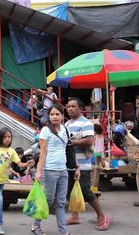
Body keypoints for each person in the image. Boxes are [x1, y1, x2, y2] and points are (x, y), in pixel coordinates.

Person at [65, 97, 111, 231]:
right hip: (70, 164)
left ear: (80, 108)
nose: (70, 109)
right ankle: (75, 216)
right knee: (71, 191)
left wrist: (71, 142)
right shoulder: (67, 124)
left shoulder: (85, 123)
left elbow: (90, 141)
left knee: (86, 192)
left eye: (73, 106)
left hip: (83, 165)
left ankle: (102, 216)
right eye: (68, 107)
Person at [31, 104, 77, 235]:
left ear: (62, 116)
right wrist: (39, 172)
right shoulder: (45, 130)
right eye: (52, 114)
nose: (55, 117)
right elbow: (43, 153)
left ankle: (63, 231)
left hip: (63, 170)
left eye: (57, 114)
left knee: (61, 202)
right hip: (49, 170)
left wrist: (76, 167)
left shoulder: (66, 130)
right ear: (49, 116)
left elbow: (69, 150)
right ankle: (36, 225)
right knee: (48, 200)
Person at [0, 127, 34, 235]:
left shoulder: (11, 151)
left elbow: (20, 164)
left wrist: (27, 164)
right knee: (0, 200)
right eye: (5, 137)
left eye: (9, 137)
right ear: (0, 138)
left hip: (2, 179)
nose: (7, 139)